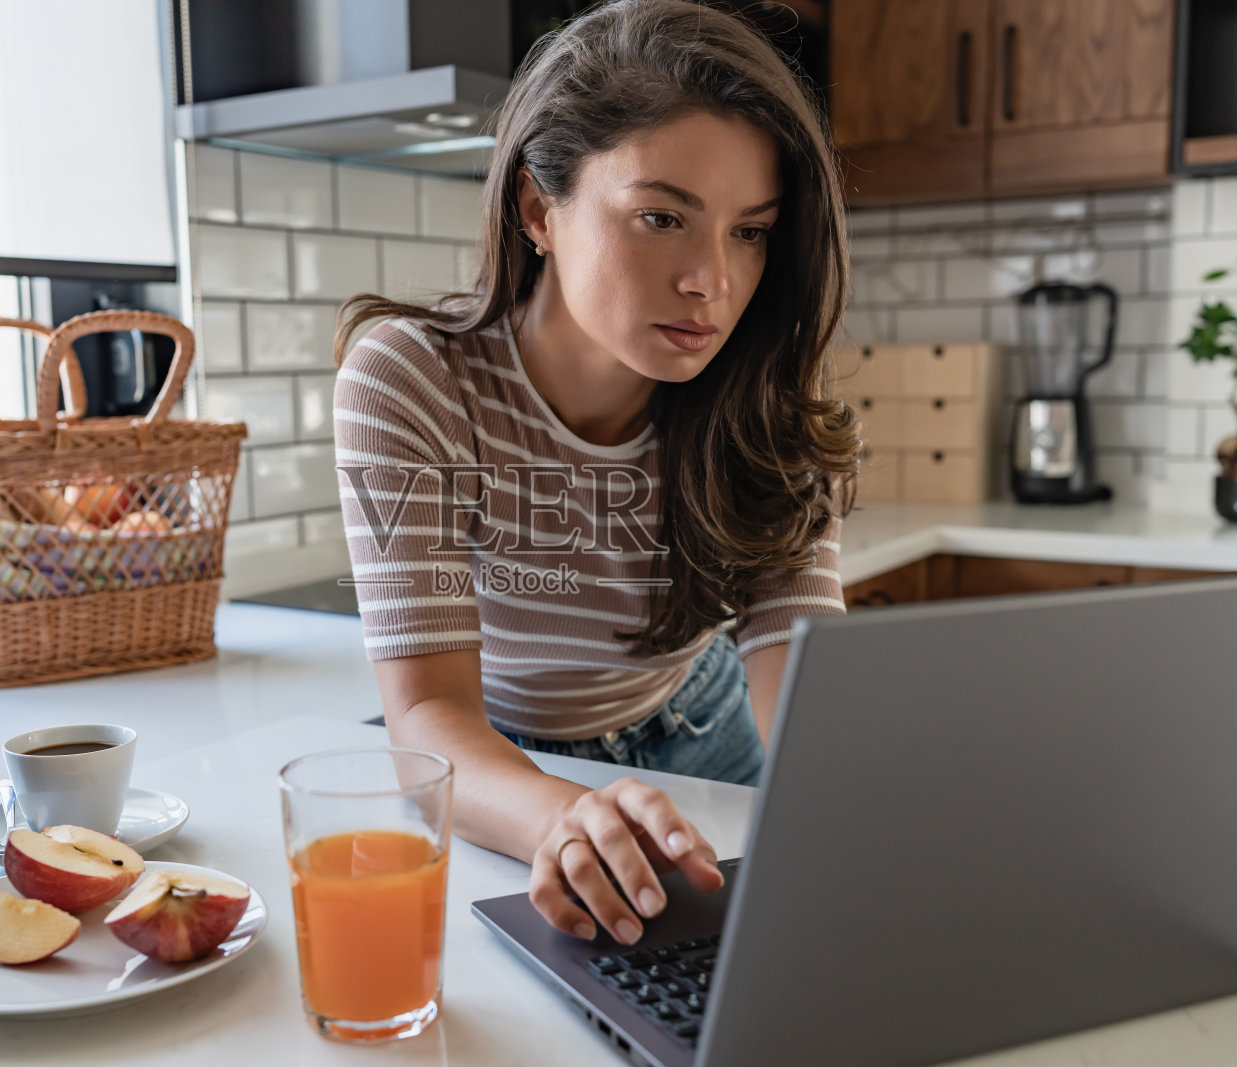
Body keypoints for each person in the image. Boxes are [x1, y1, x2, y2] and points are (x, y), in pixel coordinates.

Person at [331, 0, 858, 947]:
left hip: (701, 730)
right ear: (539, 208)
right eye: (663, 216)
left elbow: (808, 679)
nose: (713, 280)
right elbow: (427, 709)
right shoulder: (412, 377)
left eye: (751, 231)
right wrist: (556, 815)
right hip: (493, 753)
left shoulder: (763, 389)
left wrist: (886, 820)